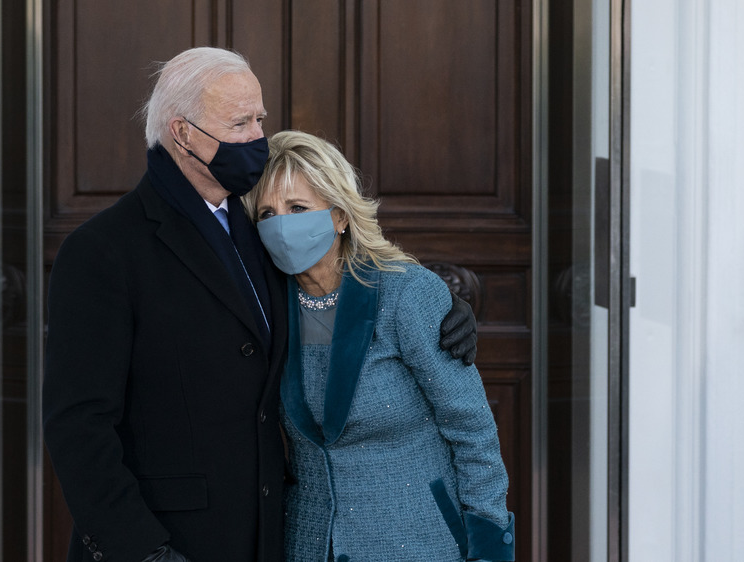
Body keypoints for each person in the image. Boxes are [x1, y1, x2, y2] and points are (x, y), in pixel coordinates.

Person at [42, 48, 478, 562]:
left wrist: (441, 308)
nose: (257, 137)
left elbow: (333, 284)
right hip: (165, 544)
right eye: (240, 122)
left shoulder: (259, 228)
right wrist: (143, 552)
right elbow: (79, 427)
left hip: (271, 537)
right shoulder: (103, 250)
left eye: (259, 119)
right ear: (182, 134)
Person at [243, 130, 515, 562]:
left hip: (419, 541)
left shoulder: (404, 294)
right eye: (267, 213)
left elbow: (472, 429)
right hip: (309, 544)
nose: (283, 224)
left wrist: (489, 545)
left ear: (340, 216)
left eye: (298, 208)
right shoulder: (264, 309)